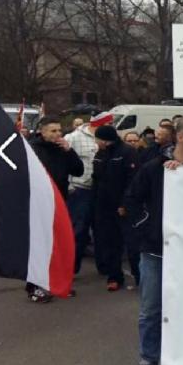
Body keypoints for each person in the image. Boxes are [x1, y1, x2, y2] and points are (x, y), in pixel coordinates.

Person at [124, 119, 183, 365]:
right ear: (181, 138)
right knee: (151, 310)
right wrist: (146, 228)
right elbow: (132, 201)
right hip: (156, 251)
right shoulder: (154, 169)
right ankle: (149, 360)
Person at [27, 116, 84, 302]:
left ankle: (56, 283)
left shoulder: (62, 150)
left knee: (57, 244)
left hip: (59, 202)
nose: (58, 134)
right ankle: (34, 286)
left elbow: (78, 171)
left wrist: (69, 151)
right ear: (42, 132)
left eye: (59, 130)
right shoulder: (33, 149)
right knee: (38, 246)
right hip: (38, 204)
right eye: (53, 131)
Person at [65, 111, 113, 275]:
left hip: (100, 190)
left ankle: (104, 266)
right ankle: (71, 268)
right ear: (100, 124)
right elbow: (65, 161)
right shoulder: (74, 137)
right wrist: (69, 186)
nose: (112, 126)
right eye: (109, 123)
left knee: (102, 230)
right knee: (79, 231)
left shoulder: (109, 138)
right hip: (80, 190)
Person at [92, 125, 139, 291]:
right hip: (104, 206)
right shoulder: (100, 154)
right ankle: (114, 277)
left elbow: (132, 181)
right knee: (110, 242)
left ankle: (139, 276)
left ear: (104, 139)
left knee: (132, 243)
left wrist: (124, 204)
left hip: (123, 206)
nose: (95, 141)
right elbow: (96, 179)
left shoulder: (127, 153)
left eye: (97, 138)